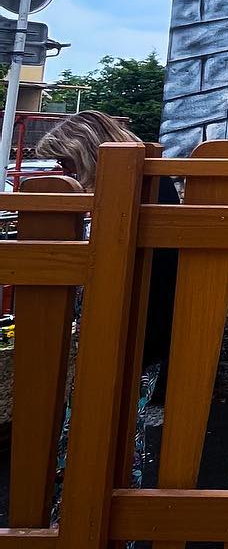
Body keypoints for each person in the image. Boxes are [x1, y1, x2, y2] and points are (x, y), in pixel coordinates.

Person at [35, 112, 180, 500]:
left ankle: (83, 512)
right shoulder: (148, 183)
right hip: (125, 328)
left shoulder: (139, 187)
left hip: (129, 331)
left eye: (66, 162)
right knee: (107, 433)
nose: (62, 170)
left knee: (101, 434)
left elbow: (156, 276)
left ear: (87, 151)